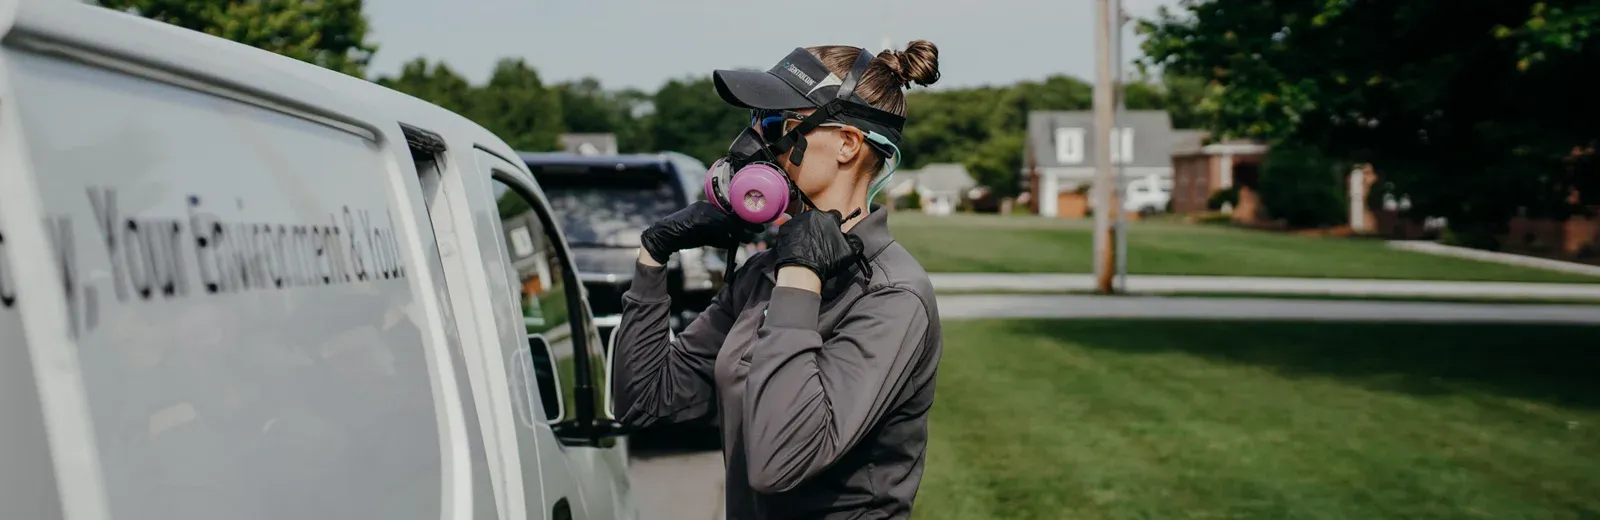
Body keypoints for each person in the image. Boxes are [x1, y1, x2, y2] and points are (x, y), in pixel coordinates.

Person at [610, 40, 944, 519]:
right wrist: (652, 256)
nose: (753, 147)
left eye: (773, 124)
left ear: (847, 144)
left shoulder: (892, 296)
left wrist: (801, 279)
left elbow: (779, 462)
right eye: (752, 124)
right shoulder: (765, 273)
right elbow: (645, 401)